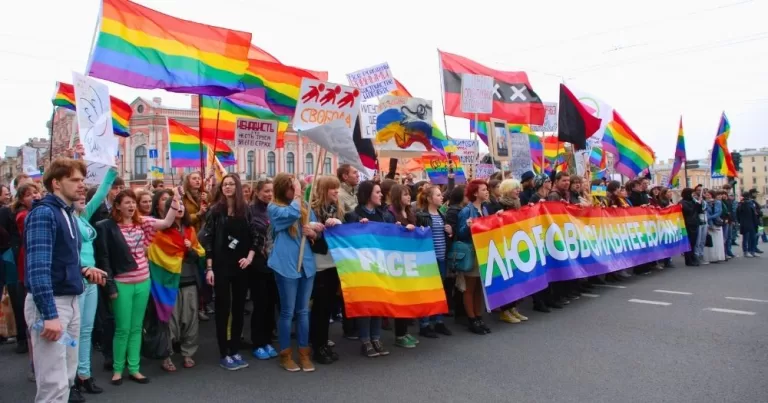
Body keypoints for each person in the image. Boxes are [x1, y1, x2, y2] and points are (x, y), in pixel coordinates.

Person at [24, 158, 106, 403]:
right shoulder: (44, 213)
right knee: (53, 384)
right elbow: (38, 269)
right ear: (56, 183)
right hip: (52, 305)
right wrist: (49, 315)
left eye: (82, 179)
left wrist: (84, 270)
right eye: (75, 180)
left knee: (67, 378)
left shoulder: (69, 214)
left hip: (71, 301)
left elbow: (61, 259)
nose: (82, 185)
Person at [94, 189, 177, 385]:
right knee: (123, 328)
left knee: (137, 328)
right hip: (122, 283)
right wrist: (110, 287)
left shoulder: (143, 223)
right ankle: (117, 369)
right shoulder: (109, 227)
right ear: (117, 206)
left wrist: (176, 201)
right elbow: (104, 258)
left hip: (143, 280)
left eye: (133, 202)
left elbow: (166, 223)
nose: (131, 206)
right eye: (127, 203)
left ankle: (134, 368)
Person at [202, 174, 262, 371]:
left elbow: (256, 236)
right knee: (222, 308)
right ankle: (223, 353)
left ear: (237, 187)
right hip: (220, 266)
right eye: (225, 184)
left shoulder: (246, 210)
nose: (227, 187)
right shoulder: (215, 211)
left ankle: (235, 349)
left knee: (238, 308)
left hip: (241, 266)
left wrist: (250, 257)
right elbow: (208, 240)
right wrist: (209, 268)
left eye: (231, 184)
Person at [73, 164, 117, 396]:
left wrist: (111, 172)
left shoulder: (83, 215)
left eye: (83, 195)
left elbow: (100, 194)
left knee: (87, 330)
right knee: (73, 332)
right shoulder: (66, 218)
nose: (82, 197)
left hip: (92, 280)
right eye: (78, 195)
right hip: (77, 279)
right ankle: (71, 381)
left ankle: (84, 375)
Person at [268, 173, 318, 372]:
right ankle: (286, 354)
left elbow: (314, 226)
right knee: (288, 312)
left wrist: (314, 232)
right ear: (282, 188)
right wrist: (299, 193)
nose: (295, 190)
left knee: (304, 311)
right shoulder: (274, 208)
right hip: (285, 264)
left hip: (306, 263)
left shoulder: (304, 205)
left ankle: (304, 353)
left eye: (295, 187)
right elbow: (291, 214)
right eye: (291, 187)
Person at [344, 181, 394, 357]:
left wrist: (407, 230)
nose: (381, 195)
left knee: (378, 302)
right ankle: (365, 340)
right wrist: (358, 225)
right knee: (366, 304)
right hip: (363, 267)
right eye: (378, 192)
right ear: (367, 195)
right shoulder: (354, 215)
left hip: (381, 265)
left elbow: (393, 232)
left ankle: (376, 337)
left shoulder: (384, 215)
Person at [158, 195, 205, 372]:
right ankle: (167, 355)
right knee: (171, 321)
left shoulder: (191, 230)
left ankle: (188, 353)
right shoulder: (161, 232)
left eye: (182, 205)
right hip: (170, 283)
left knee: (190, 319)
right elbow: (158, 257)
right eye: (175, 205)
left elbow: (199, 255)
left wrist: (189, 249)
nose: (180, 208)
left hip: (189, 280)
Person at [308, 176, 344, 364]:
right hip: (319, 262)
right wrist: (319, 228)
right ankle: (317, 346)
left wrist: (338, 224)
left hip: (334, 262)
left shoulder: (339, 208)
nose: (336, 192)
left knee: (328, 305)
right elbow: (309, 235)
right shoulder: (313, 209)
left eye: (337, 188)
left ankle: (323, 342)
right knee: (320, 307)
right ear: (324, 189)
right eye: (332, 189)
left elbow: (347, 231)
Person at [415, 185, 454, 337]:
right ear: (430, 199)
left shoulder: (441, 215)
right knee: (427, 292)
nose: (441, 197)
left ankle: (438, 321)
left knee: (440, 291)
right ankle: (424, 324)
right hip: (428, 260)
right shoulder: (421, 216)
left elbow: (446, 236)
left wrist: (450, 232)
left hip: (441, 258)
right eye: (438, 195)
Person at [248, 179, 279, 361]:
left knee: (270, 305)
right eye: (266, 191)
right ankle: (258, 342)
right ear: (257, 192)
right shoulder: (251, 211)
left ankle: (267, 340)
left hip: (274, 263)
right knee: (260, 304)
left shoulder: (275, 209)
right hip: (258, 264)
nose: (269, 194)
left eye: (272, 191)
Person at [493, 179, 530, 323]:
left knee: (517, 278)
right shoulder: (499, 204)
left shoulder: (518, 204)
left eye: (518, 188)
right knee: (508, 279)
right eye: (515, 189)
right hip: (504, 246)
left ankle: (514, 307)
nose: (518, 191)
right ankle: (505, 310)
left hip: (516, 244)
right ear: (508, 190)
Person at [387, 184, 420, 348]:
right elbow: (389, 233)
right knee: (401, 298)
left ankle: (405, 331)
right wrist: (400, 229)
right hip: (398, 260)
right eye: (405, 194)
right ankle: (399, 334)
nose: (408, 197)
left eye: (409, 194)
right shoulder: (391, 213)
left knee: (409, 297)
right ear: (397, 197)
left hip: (410, 258)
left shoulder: (410, 211)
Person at [457, 179, 491, 335]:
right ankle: (471, 319)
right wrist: (468, 226)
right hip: (472, 252)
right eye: (483, 189)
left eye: (486, 189)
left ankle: (478, 316)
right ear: (475, 193)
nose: (487, 192)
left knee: (479, 287)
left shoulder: (484, 209)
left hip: (482, 252)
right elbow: (460, 234)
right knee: (469, 288)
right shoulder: (466, 211)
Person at [680, 188, 704, 266]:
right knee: (689, 242)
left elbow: (699, 211)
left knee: (693, 242)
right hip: (687, 224)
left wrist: (699, 204)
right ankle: (689, 260)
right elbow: (688, 211)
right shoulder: (682, 202)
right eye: (691, 194)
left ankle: (693, 258)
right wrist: (696, 205)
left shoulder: (693, 201)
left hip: (694, 223)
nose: (692, 195)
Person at [703, 190, 726, 263]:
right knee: (710, 240)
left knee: (718, 241)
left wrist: (710, 217)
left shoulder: (718, 202)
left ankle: (718, 256)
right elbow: (705, 212)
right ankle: (711, 257)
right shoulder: (705, 203)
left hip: (717, 222)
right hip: (709, 223)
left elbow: (718, 212)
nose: (708, 196)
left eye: (709, 195)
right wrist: (710, 222)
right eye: (706, 195)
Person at [736, 191, 760, 258]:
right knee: (747, 238)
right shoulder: (742, 204)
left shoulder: (751, 203)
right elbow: (738, 213)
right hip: (746, 222)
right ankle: (746, 251)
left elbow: (755, 212)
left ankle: (752, 251)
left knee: (752, 237)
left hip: (751, 222)